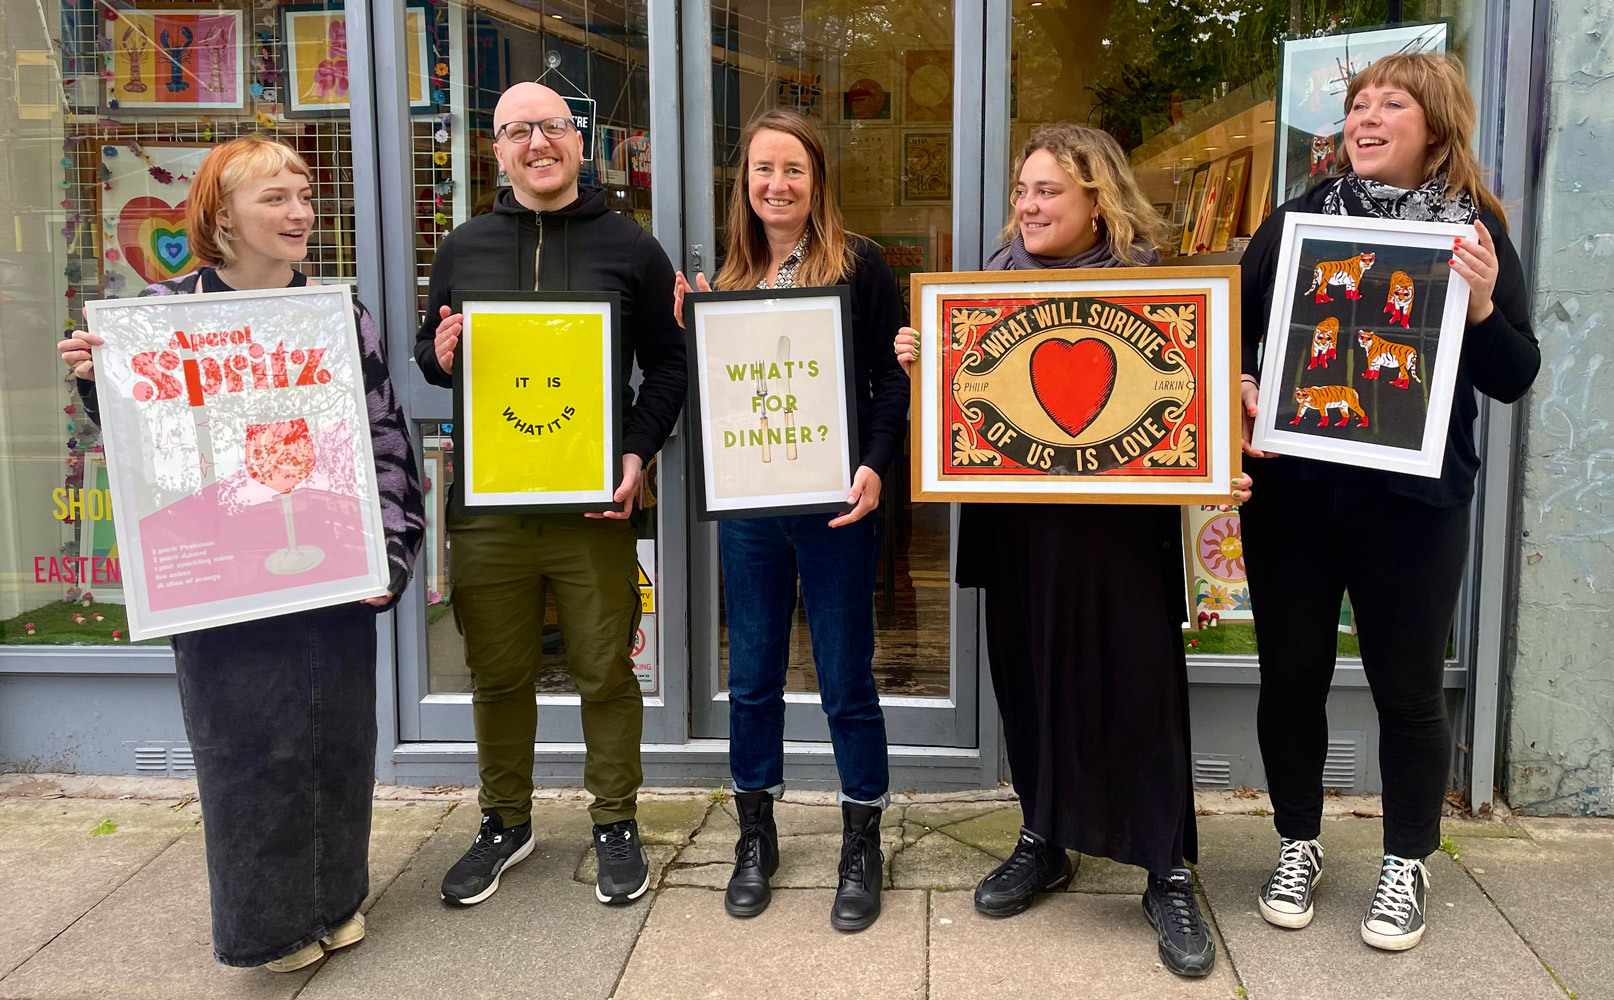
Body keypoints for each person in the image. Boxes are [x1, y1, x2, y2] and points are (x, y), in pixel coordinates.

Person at [58, 136, 424, 972]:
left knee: (337, 740)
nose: (299, 212)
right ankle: (269, 927)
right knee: (247, 750)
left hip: (326, 566)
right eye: (275, 198)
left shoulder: (338, 315)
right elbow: (148, 454)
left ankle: (336, 902)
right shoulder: (161, 316)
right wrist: (97, 386)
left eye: (303, 194)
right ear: (222, 214)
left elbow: (383, 440)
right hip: (221, 579)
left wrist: (391, 553)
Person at [893, 123, 1252, 977]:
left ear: (1100, 200)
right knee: (1030, 683)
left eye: (1047, 190)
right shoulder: (980, 294)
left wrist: (1221, 432)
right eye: (1022, 190)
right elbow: (962, 418)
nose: (1027, 205)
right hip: (1016, 529)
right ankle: (1043, 834)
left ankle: (1165, 867)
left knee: (1139, 690)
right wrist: (924, 370)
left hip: (1118, 535)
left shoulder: (1156, 294)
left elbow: (1186, 411)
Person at [1238, 52, 1538, 952]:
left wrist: (1482, 308)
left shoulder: (1473, 231)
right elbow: (1229, 341)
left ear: (1435, 127)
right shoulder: (1294, 222)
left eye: (1389, 105)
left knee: (1407, 689)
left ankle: (1407, 860)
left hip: (1413, 505)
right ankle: (1297, 842)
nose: (1365, 118)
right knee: (1291, 677)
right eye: (1358, 105)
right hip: (1293, 496)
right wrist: (1246, 385)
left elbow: (1515, 375)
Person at [415, 82, 687, 908]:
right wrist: (444, 353)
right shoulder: (463, 248)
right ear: (495, 150)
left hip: (593, 506)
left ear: (580, 141)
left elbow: (669, 365)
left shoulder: (632, 248)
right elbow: (435, 365)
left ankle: (615, 823)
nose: (537, 143)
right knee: (497, 673)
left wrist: (638, 452)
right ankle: (506, 821)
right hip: (491, 508)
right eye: (516, 131)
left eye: (553, 127)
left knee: (606, 669)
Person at [672, 109, 909, 932]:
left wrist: (875, 467)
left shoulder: (861, 267)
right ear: (744, 183)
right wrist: (693, 333)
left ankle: (860, 842)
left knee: (846, 678)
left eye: (794, 170)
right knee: (755, 677)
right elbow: (726, 401)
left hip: (837, 506)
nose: (777, 185)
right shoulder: (727, 278)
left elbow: (892, 380)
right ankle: (755, 835)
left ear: (818, 183)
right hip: (752, 510)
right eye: (763, 170)